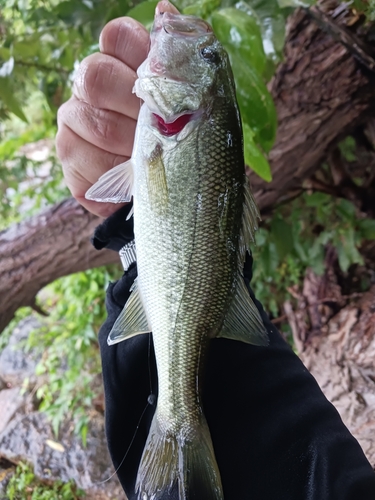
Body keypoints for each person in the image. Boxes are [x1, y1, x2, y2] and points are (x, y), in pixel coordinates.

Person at [56, 2, 375, 498]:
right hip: (187, 295)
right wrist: (129, 229)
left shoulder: (175, 125)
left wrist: (130, 225)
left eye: (206, 55)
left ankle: (176, 419)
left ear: (198, 97)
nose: (171, 16)